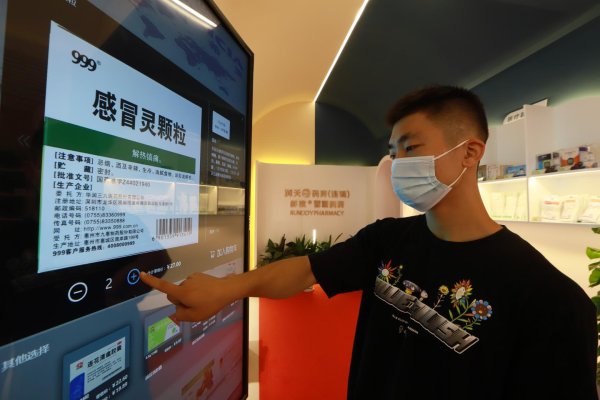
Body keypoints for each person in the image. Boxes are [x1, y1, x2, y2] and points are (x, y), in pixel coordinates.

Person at [141, 85, 598, 399]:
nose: (398, 163)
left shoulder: (551, 299)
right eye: (393, 151)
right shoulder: (387, 239)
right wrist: (227, 289)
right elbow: (305, 270)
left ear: (470, 152)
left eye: (411, 148)